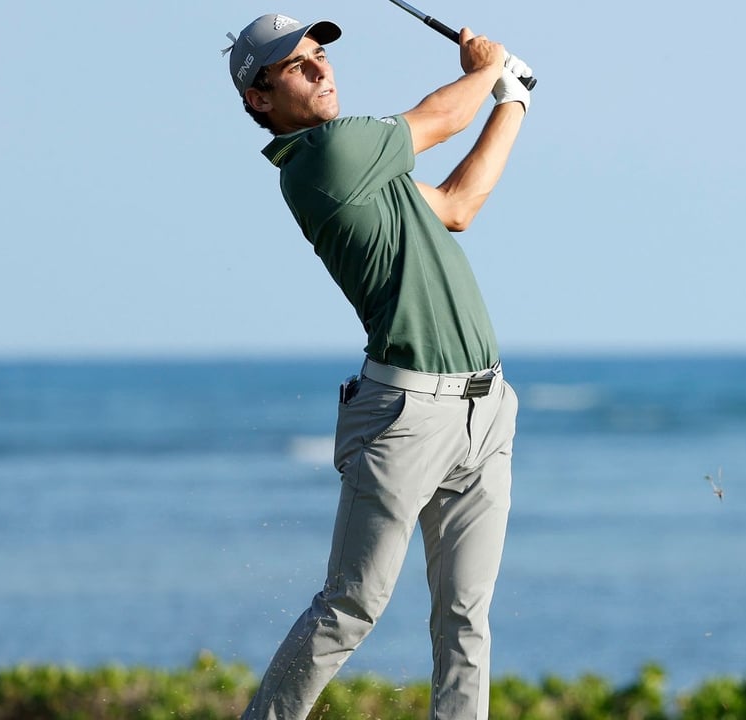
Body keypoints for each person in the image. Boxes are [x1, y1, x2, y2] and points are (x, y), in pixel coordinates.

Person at [223, 12, 532, 720]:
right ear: (259, 99)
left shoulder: (368, 166)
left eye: (317, 56)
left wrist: (513, 100)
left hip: (484, 411)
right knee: (351, 606)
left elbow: (457, 206)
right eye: (296, 66)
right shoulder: (328, 156)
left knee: (466, 620)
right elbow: (440, 116)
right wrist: (485, 66)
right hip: (405, 416)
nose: (319, 68)